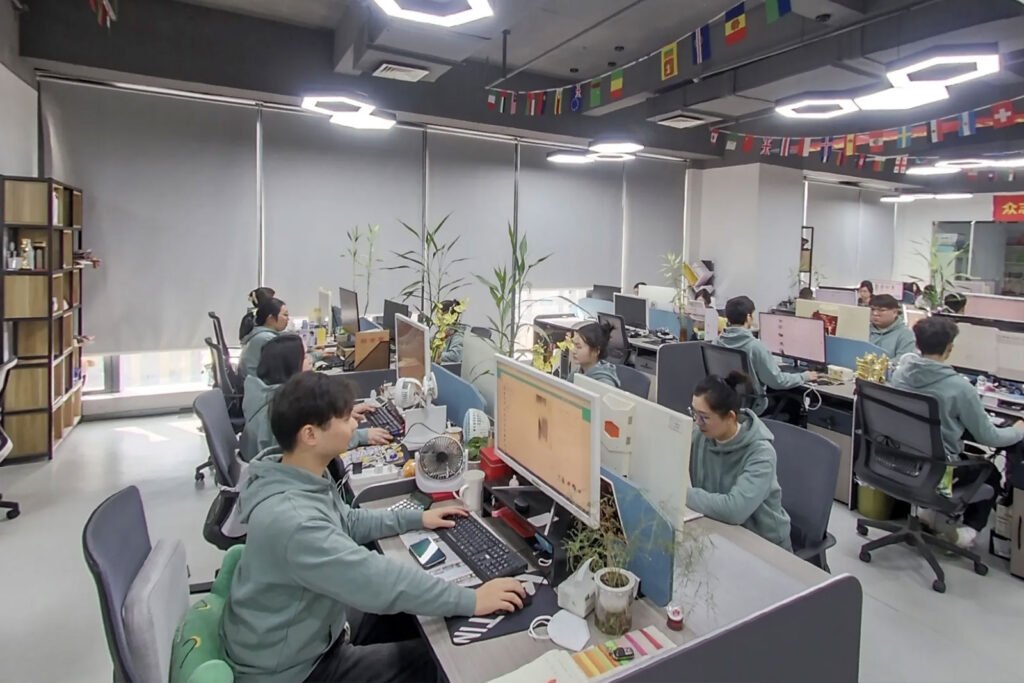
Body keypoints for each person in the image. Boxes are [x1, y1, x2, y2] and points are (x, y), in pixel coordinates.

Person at [222, 372, 526, 683]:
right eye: (344, 419)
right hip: (293, 670)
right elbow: (378, 580)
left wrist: (417, 518)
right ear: (310, 435)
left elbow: (348, 521)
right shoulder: (294, 520)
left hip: (309, 631)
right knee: (442, 663)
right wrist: (472, 600)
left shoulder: (295, 474)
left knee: (415, 620)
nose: (354, 426)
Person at [891, 317, 1024, 548]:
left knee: (956, 457)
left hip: (899, 462)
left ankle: (928, 514)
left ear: (917, 343)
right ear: (950, 348)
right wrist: (1017, 430)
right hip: (939, 473)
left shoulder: (900, 374)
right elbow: (989, 437)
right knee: (990, 471)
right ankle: (967, 534)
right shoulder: (960, 388)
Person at [240, 335, 392, 461]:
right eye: (305, 356)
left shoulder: (263, 392)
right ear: (291, 365)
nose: (310, 360)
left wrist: (339, 414)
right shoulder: (278, 407)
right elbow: (311, 442)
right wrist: (360, 436)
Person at [687, 372, 793, 550]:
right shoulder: (701, 436)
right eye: (694, 413)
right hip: (720, 530)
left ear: (730, 417)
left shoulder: (761, 453)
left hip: (764, 545)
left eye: (704, 417)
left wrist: (682, 493)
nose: (697, 422)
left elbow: (734, 510)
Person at [715, 296, 817, 416]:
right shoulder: (755, 347)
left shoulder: (717, 342)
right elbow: (778, 381)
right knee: (793, 404)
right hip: (753, 406)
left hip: (725, 402)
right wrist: (804, 376)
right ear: (748, 317)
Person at [239, 297, 290, 379]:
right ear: (270, 318)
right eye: (285, 315)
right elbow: (286, 364)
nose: (288, 319)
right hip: (261, 385)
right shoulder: (267, 339)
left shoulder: (259, 335)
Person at [569, 321, 621, 387]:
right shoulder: (576, 373)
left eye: (579, 347)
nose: (573, 351)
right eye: (574, 345)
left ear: (596, 351)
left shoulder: (605, 384)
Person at [868, 294, 917, 359]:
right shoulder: (865, 329)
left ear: (895, 312)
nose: (875, 313)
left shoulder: (906, 334)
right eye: (872, 309)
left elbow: (903, 360)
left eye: (882, 310)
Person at [437, 299, 465, 364]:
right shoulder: (443, 331)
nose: (438, 318)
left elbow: (455, 356)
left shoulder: (458, 334)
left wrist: (436, 355)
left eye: (441, 316)